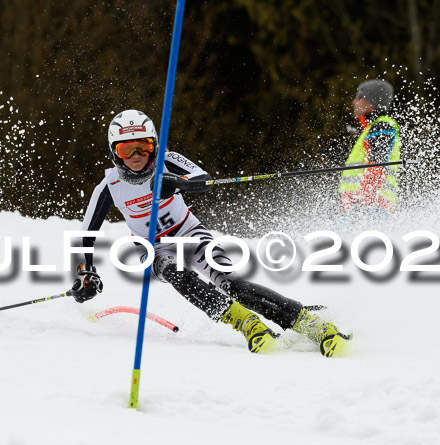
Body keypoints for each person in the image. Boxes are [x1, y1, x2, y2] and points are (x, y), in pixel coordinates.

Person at [68, 109, 350, 357]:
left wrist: (174, 183)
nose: (136, 157)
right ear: (113, 152)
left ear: (154, 146)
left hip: (192, 234)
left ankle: (311, 324)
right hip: (154, 250)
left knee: (234, 285)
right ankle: (246, 323)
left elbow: (203, 180)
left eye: (143, 147)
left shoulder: (168, 160)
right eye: (125, 150)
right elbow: (85, 237)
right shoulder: (109, 186)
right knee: (174, 271)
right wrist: (85, 272)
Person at [339, 79, 401, 214]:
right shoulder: (372, 129)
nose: (354, 102)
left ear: (372, 101)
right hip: (365, 208)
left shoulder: (382, 126)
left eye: (358, 97)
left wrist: (363, 205)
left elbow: (377, 166)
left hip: (371, 209)